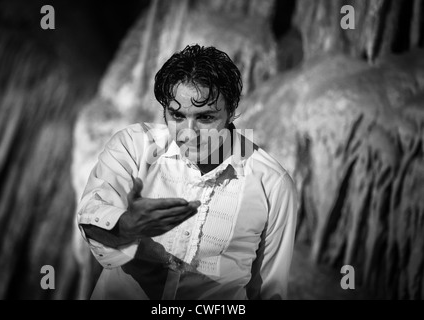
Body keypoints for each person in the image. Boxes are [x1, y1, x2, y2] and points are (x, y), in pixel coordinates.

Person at [77, 44, 298, 300]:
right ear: (164, 110)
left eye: (205, 118)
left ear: (232, 110)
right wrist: (127, 226)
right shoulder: (132, 147)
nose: (188, 133)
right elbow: (89, 218)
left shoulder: (272, 184)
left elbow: (271, 292)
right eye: (177, 115)